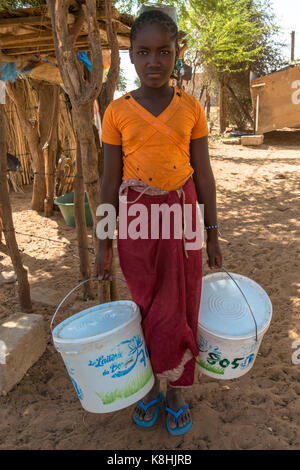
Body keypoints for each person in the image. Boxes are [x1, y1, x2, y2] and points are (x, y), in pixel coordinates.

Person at [95, 9, 222, 436]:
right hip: (135, 220)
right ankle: (149, 387)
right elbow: (110, 181)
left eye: (164, 52)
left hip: (182, 214)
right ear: (130, 57)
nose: (154, 61)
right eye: (144, 51)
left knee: (184, 301)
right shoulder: (116, 113)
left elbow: (203, 175)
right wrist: (103, 243)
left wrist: (212, 233)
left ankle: (176, 391)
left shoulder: (191, 108)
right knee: (146, 303)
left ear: (176, 55)